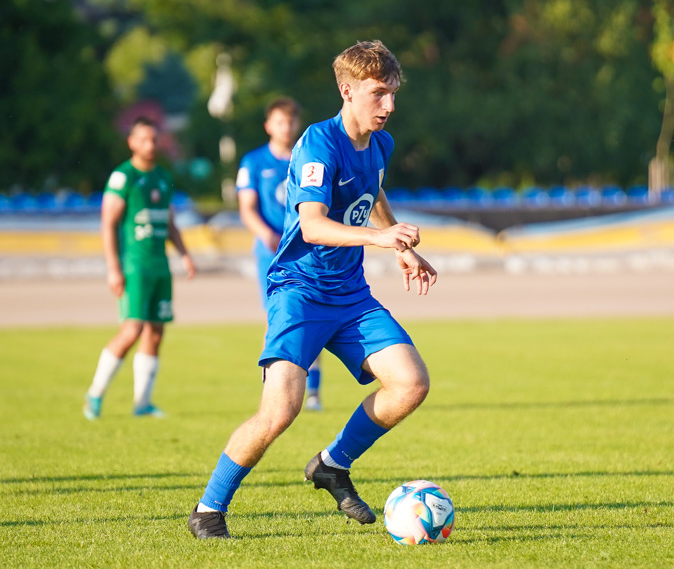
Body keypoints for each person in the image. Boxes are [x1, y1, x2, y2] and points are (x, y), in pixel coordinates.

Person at [188, 40, 436, 539]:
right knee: (281, 410)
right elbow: (313, 226)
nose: (389, 105)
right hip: (299, 291)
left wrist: (400, 249)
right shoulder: (318, 145)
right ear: (347, 91)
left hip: (350, 293)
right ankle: (209, 509)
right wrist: (382, 237)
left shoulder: (380, 144)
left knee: (411, 383)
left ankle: (332, 464)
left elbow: (374, 192)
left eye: (393, 94)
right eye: (378, 94)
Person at [83, 117, 196, 420]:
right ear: (132, 142)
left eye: (154, 139)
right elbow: (108, 224)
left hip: (160, 266)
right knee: (132, 329)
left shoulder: (161, 176)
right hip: (135, 266)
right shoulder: (124, 177)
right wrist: (113, 268)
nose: (150, 145)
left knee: (156, 332)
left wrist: (184, 254)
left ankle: (142, 402)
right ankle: (95, 394)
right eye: (144, 139)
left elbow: (168, 221)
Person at [236, 97, 325, 411]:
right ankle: (271, 391)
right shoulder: (253, 162)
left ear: (297, 124)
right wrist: (265, 234)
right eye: (278, 122)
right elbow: (246, 208)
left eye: (289, 122)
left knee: (314, 314)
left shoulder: (309, 156)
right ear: (268, 125)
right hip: (270, 253)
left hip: (307, 251)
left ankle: (313, 392)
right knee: (275, 318)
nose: (285, 128)